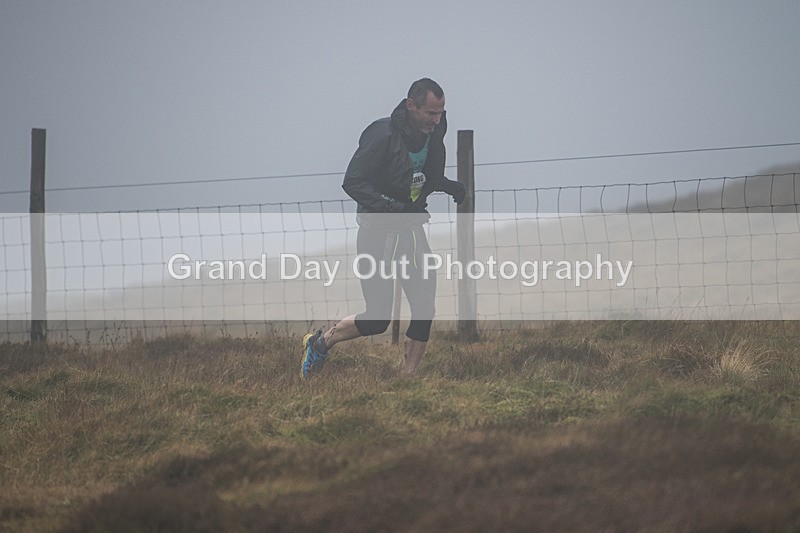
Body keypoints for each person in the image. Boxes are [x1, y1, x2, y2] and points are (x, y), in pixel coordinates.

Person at [302, 78, 465, 377]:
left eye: (441, 112)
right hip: (377, 231)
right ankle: (321, 343)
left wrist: (448, 186)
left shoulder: (434, 129)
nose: (437, 120)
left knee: (425, 306)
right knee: (378, 319)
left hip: (411, 231)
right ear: (411, 105)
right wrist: (391, 207)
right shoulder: (382, 135)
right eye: (431, 113)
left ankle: (407, 378)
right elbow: (353, 182)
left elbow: (424, 174)